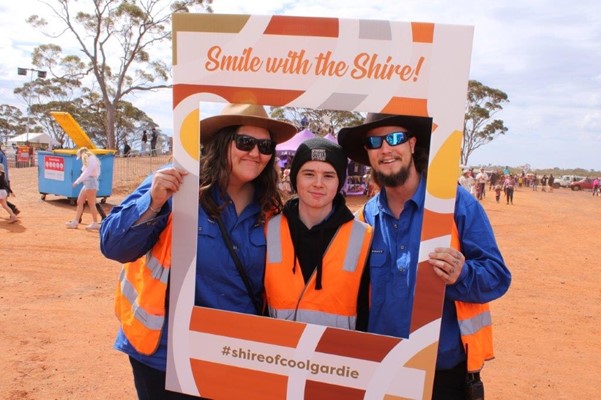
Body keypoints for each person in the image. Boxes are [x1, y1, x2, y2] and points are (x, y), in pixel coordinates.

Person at [100, 103, 296, 399]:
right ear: (221, 142)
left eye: (266, 146)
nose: (256, 153)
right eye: (245, 142)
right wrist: (153, 203)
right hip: (165, 354)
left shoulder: (271, 209)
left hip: (234, 355)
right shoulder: (176, 184)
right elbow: (114, 245)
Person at [338, 112, 511, 400]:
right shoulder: (365, 218)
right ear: (368, 153)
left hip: (443, 376)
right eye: (375, 141)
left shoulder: (454, 205)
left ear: (412, 143)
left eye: (395, 138)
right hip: (382, 370)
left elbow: (497, 277)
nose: (385, 148)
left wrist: (463, 274)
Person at [264, 137, 373, 329]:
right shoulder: (269, 229)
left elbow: (367, 308)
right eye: (309, 174)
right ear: (295, 178)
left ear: (339, 182)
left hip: (335, 354)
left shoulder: (364, 236)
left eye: (329, 176)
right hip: (277, 353)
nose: (318, 183)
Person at [66, 147, 101, 230]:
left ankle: (95, 223)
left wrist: (77, 182)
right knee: (80, 201)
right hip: (88, 182)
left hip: (90, 183)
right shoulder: (91, 158)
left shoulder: (89, 157)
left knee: (91, 204)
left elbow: (87, 172)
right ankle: (75, 222)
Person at [0, 144, 20, 216]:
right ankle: (13, 210)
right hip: (4, 179)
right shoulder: (2, 154)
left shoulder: (0, 154)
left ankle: (13, 210)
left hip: (2, 180)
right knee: (3, 200)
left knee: (3, 200)